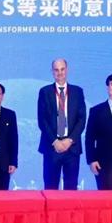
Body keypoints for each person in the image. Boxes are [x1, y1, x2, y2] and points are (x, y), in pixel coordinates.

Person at [38, 58, 86, 190]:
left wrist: (69, 140)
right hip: (51, 147)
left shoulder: (78, 91)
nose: (59, 72)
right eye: (56, 70)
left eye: (62, 69)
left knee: (71, 189)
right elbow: (42, 120)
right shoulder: (45, 92)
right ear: (52, 72)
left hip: (72, 148)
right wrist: (55, 141)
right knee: (50, 188)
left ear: (67, 70)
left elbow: (82, 119)